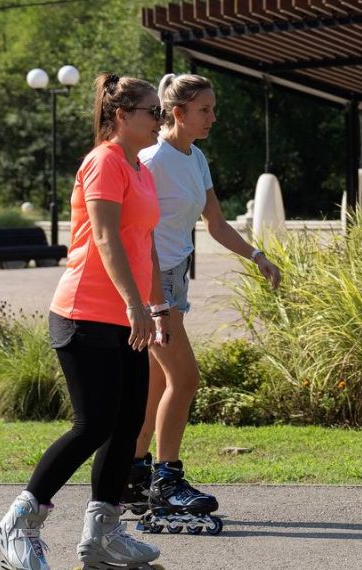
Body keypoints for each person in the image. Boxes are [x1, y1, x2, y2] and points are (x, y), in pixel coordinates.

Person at [0, 73, 167, 570]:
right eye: (152, 113)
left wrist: (154, 307)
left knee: (126, 428)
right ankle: (13, 526)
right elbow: (105, 239)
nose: (160, 122)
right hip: (86, 313)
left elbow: (144, 244)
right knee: (94, 425)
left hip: (127, 317)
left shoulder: (138, 167)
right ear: (122, 115)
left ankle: (102, 536)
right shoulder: (103, 163)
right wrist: (133, 304)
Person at [122, 73, 281, 533]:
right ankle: (166, 480)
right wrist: (147, 298)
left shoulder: (196, 158)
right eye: (205, 110)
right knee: (186, 378)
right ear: (178, 112)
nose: (213, 117)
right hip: (154, 281)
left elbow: (214, 223)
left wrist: (256, 255)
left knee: (157, 384)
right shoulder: (150, 160)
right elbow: (132, 228)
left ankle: (133, 473)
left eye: (213, 109)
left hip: (175, 278)